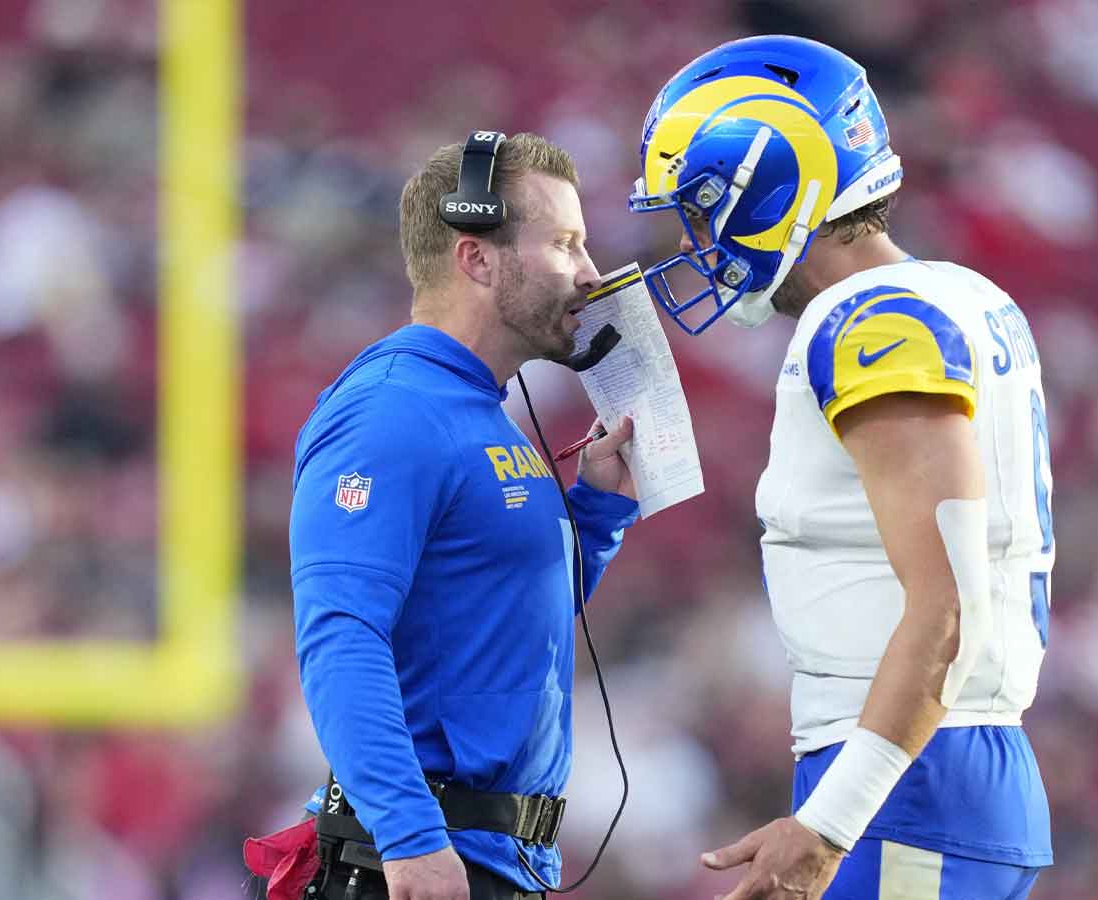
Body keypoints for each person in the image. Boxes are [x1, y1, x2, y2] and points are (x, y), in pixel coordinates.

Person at [627, 36, 1054, 900]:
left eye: (702, 206)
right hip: (921, 766)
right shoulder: (953, 296)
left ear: (775, 185)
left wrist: (829, 823)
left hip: (910, 777)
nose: (692, 238)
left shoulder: (874, 322)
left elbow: (948, 608)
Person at [285, 132, 639, 900]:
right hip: (414, 862)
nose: (589, 274)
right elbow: (340, 635)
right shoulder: (392, 410)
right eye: (565, 245)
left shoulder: (481, 410)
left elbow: (496, 624)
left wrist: (600, 511)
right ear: (476, 258)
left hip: (482, 861)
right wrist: (410, 837)